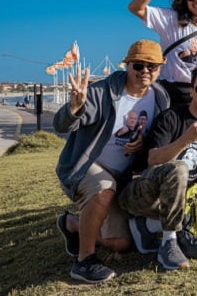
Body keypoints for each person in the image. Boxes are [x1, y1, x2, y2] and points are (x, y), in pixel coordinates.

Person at [54, 40, 170, 284]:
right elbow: (61, 125)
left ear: (161, 67)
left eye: (152, 66)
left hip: (122, 177)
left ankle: (72, 224)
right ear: (127, 65)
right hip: (90, 166)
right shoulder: (103, 92)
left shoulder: (160, 98)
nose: (145, 71)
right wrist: (74, 108)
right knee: (104, 189)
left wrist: (142, 144)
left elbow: (155, 138)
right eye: (138, 65)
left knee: (121, 243)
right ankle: (84, 261)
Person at [118, 65, 197, 270]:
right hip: (141, 192)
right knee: (179, 168)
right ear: (191, 90)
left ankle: (146, 227)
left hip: (177, 202)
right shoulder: (171, 118)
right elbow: (153, 160)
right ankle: (168, 243)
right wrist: (187, 138)